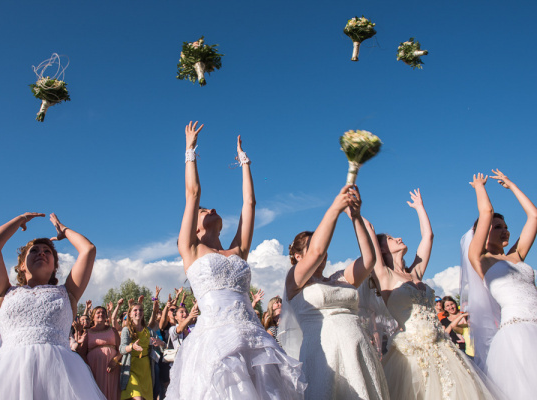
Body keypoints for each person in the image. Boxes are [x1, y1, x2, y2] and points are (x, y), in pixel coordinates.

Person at [169, 121, 306, 399]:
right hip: (215, 342)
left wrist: (245, 163)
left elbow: (250, 205)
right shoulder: (190, 248)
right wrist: (190, 150)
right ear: (194, 226)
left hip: (253, 338)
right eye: (205, 210)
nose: (212, 209)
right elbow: (193, 194)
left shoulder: (238, 251)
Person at [366, 189, 496, 400]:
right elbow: (369, 236)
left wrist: (420, 208)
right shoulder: (384, 276)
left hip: (442, 346)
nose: (398, 237)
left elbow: (428, 236)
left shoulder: (415, 272)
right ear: (380, 250)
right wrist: (356, 212)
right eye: (390, 238)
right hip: (412, 351)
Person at [0, 212, 106, 399]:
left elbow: (88, 249)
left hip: (60, 376)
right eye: (34, 251)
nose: (41, 253)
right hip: (9, 377)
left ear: (55, 266)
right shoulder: (4, 293)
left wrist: (64, 230)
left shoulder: (67, 292)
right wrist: (18, 221)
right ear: (22, 265)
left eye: (47, 252)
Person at [279, 184, 389, 400]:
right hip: (324, 355)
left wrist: (356, 218)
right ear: (299, 257)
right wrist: (334, 209)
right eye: (311, 248)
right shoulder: (294, 280)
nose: (323, 252)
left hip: (359, 349)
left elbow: (369, 260)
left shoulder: (339, 279)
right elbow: (317, 251)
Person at [464, 170, 537, 399]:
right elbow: (486, 212)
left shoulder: (516, 256)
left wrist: (512, 185)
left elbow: (534, 216)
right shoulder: (481, 259)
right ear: (482, 234)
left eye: (505, 225)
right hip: (518, 331)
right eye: (497, 227)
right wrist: (479, 187)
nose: (505, 229)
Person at [78, 306, 121, 400]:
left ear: (106, 316)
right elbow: (82, 353)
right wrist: (88, 368)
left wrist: (114, 360)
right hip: (94, 368)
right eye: (98, 312)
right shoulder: (88, 332)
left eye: (103, 313)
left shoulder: (113, 330)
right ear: (93, 316)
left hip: (112, 368)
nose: (101, 314)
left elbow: (121, 349)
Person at [119, 303, 154, 400]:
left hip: (145, 369)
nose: (138, 312)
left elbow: (159, 348)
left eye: (140, 310)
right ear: (129, 314)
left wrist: (161, 343)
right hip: (131, 367)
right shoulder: (126, 330)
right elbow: (122, 349)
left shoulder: (149, 331)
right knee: (137, 398)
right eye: (135, 310)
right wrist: (132, 346)